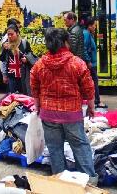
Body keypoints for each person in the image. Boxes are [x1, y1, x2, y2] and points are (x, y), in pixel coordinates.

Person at [30, 28, 97, 182]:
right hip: (71, 114)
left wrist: (38, 106)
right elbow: (88, 88)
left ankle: (60, 182)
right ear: (66, 43)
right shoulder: (76, 63)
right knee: (80, 147)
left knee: (55, 149)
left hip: (48, 114)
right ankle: (89, 182)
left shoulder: (40, 65)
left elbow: (34, 87)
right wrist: (91, 107)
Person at [0, 23, 33, 95]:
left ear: (17, 33)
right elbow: (2, 59)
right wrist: (4, 75)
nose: (10, 36)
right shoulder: (6, 44)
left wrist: (26, 59)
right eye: (8, 34)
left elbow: (30, 55)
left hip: (23, 75)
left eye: (12, 34)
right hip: (11, 75)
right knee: (13, 96)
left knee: (24, 96)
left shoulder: (24, 43)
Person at [82, 16, 101, 107]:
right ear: (89, 26)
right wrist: (88, 61)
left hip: (92, 63)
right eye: (94, 25)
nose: (95, 27)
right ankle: (96, 101)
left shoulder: (89, 34)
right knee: (94, 82)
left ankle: (95, 100)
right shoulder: (86, 34)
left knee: (93, 81)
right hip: (90, 64)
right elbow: (84, 48)